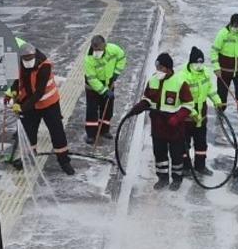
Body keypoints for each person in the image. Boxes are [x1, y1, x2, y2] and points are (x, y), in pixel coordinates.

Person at [129, 53, 193, 190]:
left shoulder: (180, 82)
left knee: (176, 156)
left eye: (161, 68)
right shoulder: (153, 80)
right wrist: (139, 107)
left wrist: (177, 118)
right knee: (159, 154)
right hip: (158, 126)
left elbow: (188, 105)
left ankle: (177, 179)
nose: (158, 70)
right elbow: (147, 99)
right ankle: (162, 178)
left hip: (174, 127)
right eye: (157, 67)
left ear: (169, 69)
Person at [12, 43, 75, 175]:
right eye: (25, 59)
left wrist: (22, 107)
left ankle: (64, 161)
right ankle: (28, 157)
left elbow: (39, 92)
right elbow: (16, 81)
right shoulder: (19, 64)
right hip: (30, 104)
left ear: (34, 55)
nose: (28, 61)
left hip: (48, 104)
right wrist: (13, 94)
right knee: (29, 132)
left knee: (57, 132)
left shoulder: (45, 66)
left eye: (30, 58)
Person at [180, 46, 223, 176]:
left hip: (202, 112)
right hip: (188, 114)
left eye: (201, 62)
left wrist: (217, 100)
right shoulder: (183, 76)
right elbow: (182, 98)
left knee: (201, 143)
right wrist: (192, 113)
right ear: (190, 62)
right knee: (184, 143)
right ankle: (185, 167)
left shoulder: (205, 72)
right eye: (196, 62)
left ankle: (200, 166)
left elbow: (210, 89)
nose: (199, 65)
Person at [83, 35, 126, 144]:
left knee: (107, 108)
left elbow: (122, 57)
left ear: (105, 45)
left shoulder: (113, 49)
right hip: (93, 87)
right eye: (95, 49)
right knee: (92, 110)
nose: (97, 51)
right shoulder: (89, 59)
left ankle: (104, 130)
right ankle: (91, 134)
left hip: (108, 82)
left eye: (99, 49)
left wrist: (116, 72)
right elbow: (91, 79)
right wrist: (104, 91)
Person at [211, 13, 238, 122]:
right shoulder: (223, 34)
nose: (237, 28)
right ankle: (221, 111)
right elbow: (214, 51)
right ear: (230, 23)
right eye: (235, 25)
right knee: (222, 94)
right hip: (224, 72)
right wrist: (216, 68)